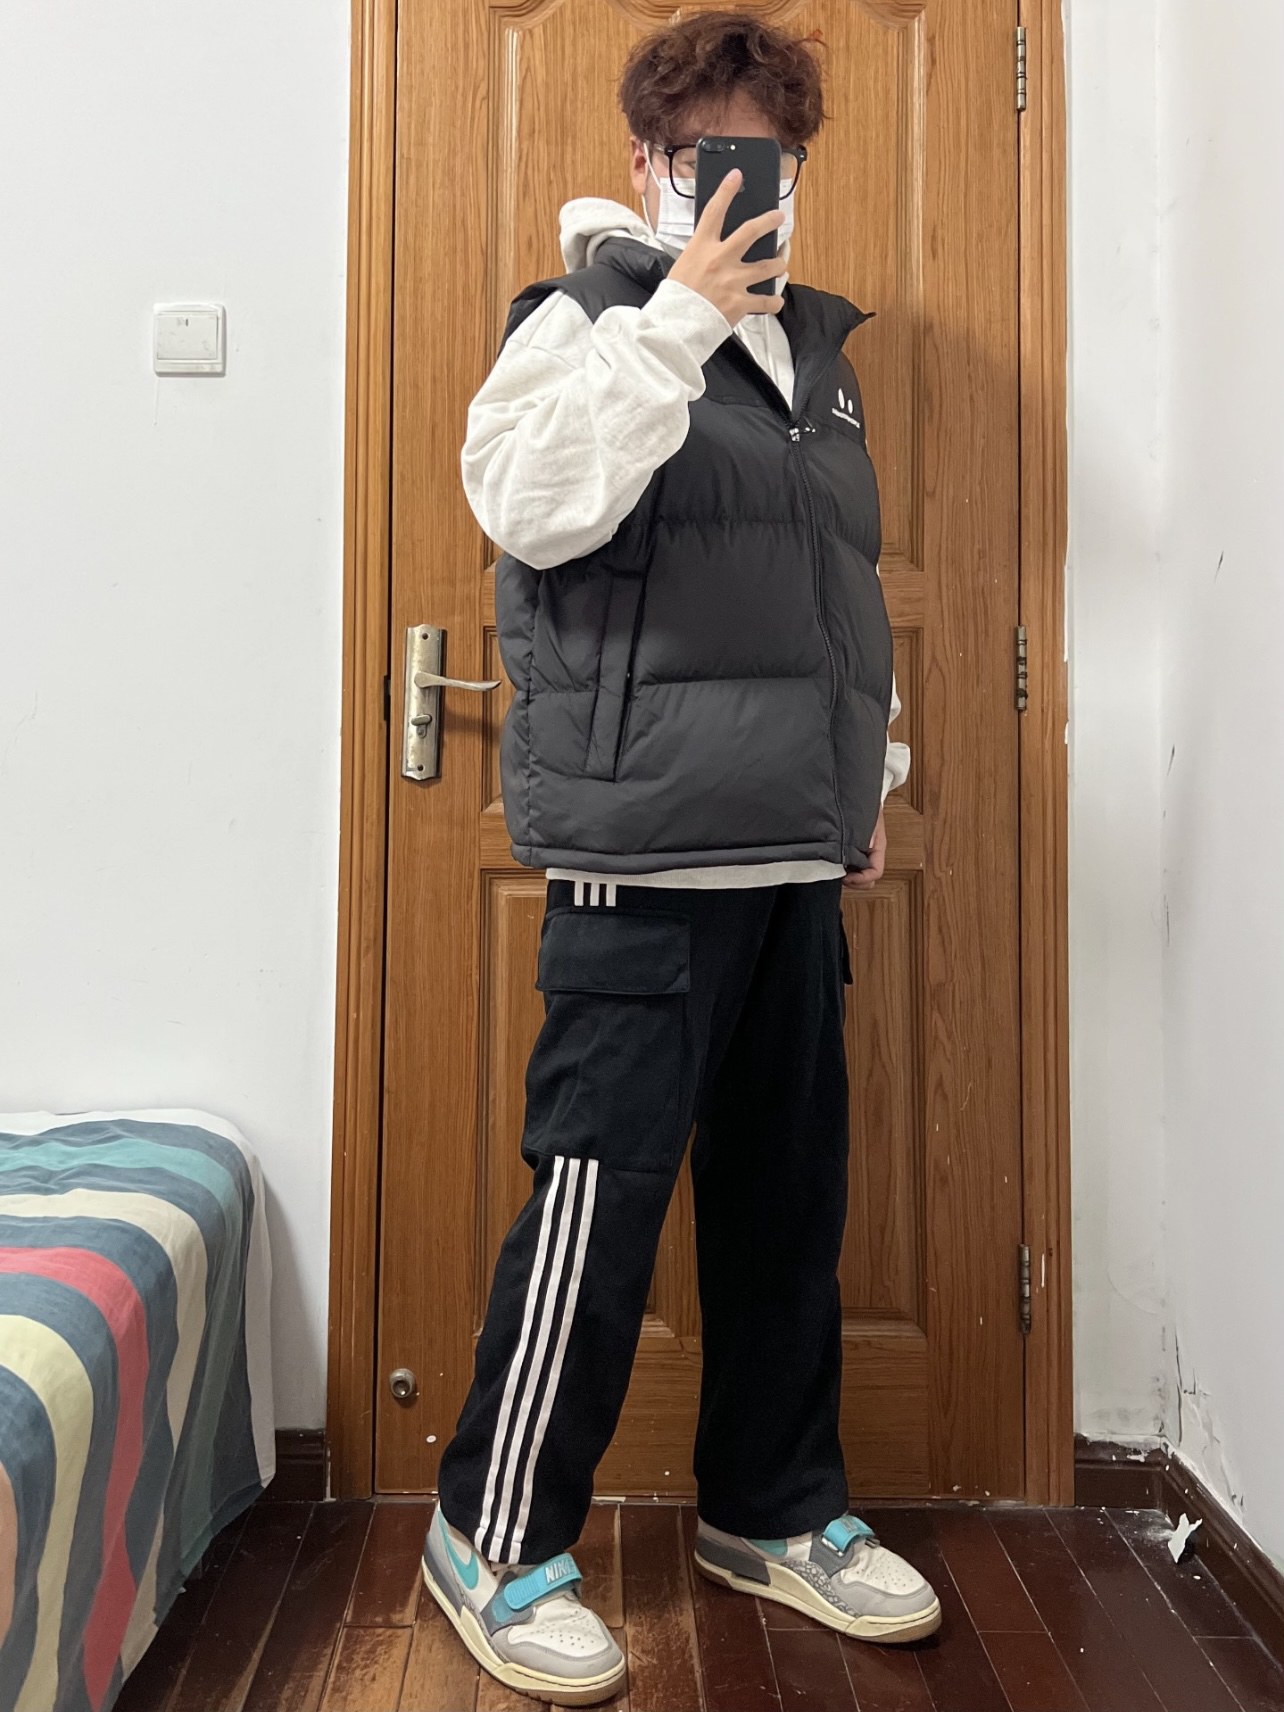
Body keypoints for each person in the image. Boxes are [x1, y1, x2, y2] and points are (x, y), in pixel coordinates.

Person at [420, 13, 940, 1703]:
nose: (738, 177)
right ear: (648, 162)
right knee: (598, 1205)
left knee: (790, 1204)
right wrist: (676, 321)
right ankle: (492, 1533)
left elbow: (833, 599)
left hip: (793, 854)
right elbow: (529, 502)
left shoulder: (818, 361)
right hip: (641, 856)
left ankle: (771, 1511)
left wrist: (868, 775)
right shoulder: (580, 321)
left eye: (768, 153)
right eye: (706, 148)